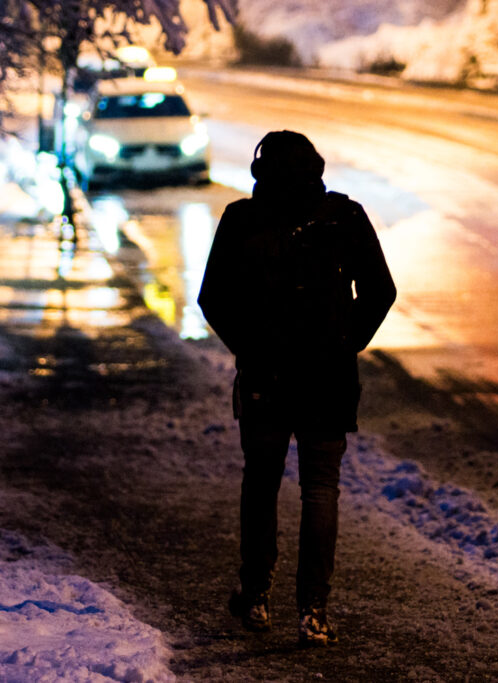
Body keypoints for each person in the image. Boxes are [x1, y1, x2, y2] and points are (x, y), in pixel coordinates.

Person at [198, 130, 396, 646]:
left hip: (266, 377)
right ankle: (313, 608)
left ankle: (257, 593)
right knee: (320, 488)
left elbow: (212, 298)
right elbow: (382, 290)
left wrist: (249, 346)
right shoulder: (344, 218)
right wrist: (345, 341)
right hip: (327, 378)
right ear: (317, 168)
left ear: (260, 172)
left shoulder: (242, 220)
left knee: (261, 483)